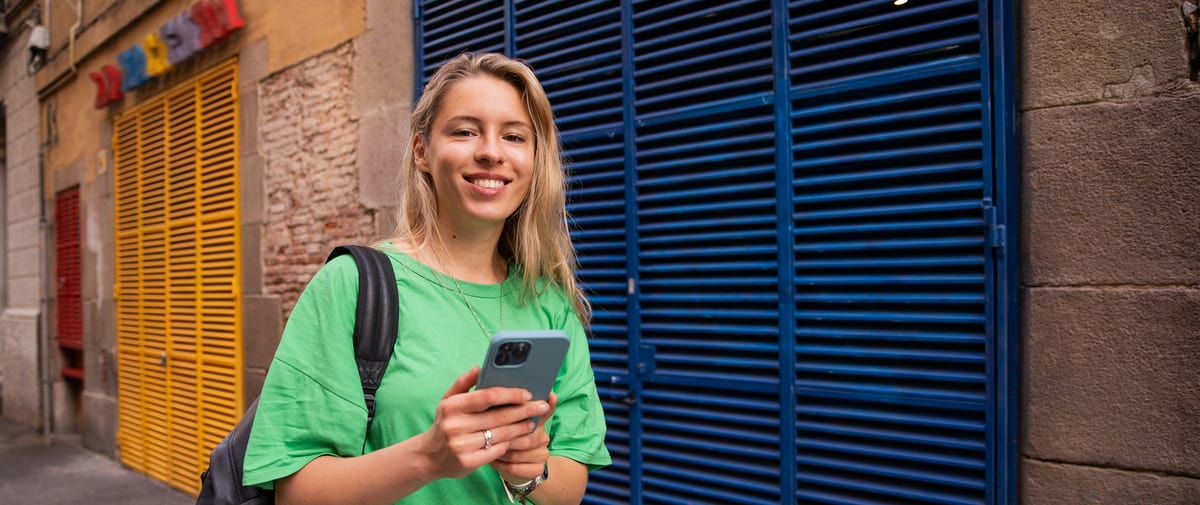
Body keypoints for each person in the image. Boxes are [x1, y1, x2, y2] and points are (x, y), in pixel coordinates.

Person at [242, 52, 611, 504]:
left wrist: (527, 471)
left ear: (534, 160)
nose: (491, 152)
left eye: (514, 136)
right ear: (422, 151)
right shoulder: (352, 286)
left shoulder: (550, 303)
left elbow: (570, 489)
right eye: (465, 131)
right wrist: (429, 457)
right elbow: (295, 494)